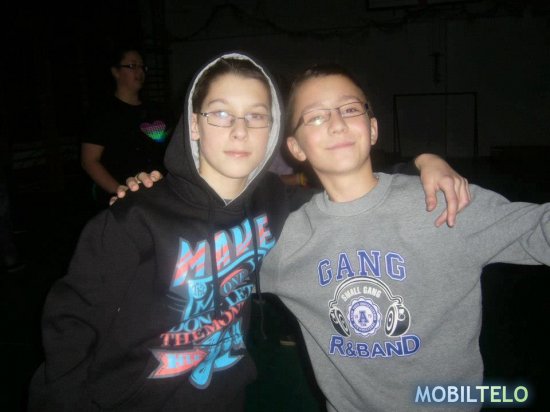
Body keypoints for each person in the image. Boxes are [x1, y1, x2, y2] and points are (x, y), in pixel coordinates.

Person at [29, 52, 469, 412]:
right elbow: (69, 331)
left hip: (225, 397)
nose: (240, 131)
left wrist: (422, 162)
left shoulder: (272, 200)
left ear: (272, 129)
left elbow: (348, 188)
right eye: (221, 114)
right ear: (194, 124)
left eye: (256, 116)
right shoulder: (134, 219)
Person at [258, 64, 550, 411]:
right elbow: (211, 282)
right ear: (296, 147)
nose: (337, 123)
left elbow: (539, 229)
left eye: (349, 109)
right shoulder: (285, 241)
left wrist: (425, 160)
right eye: (316, 117)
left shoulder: (444, 202)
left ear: (372, 128)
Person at [81, 45, 174, 207]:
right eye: (132, 66)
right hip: (119, 198)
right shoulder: (102, 113)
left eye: (142, 67)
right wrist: (121, 192)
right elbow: (89, 161)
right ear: (116, 72)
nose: (140, 71)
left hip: (155, 195)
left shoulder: (155, 110)